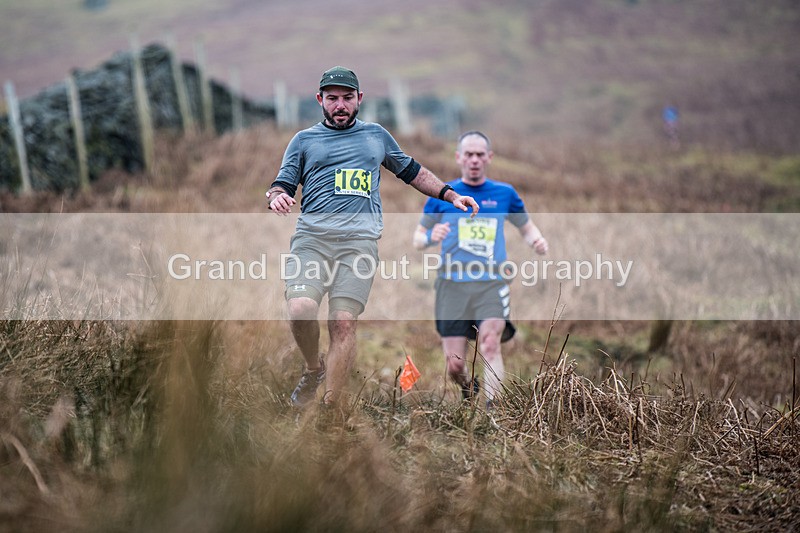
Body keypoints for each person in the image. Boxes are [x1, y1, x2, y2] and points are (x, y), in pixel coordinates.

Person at [266, 66, 479, 409]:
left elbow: (413, 171)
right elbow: (283, 182)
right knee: (301, 308)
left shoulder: (376, 136)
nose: (340, 106)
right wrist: (277, 196)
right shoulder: (304, 141)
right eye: (332, 99)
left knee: (343, 322)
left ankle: (330, 408)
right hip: (312, 241)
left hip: (358, 246)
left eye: (347, 98)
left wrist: (451, 195)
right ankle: (312, 368)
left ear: (359, 99)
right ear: (320, 100)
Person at [413, 131, 548, 408]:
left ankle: (494, 412)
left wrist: (535, 239)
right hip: (451, 286)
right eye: (469, 154)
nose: (474, 160)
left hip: (491, 284)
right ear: (459, 157)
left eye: (479, 154)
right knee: (454, 366)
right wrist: (430, 237)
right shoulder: (442, 193)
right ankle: (469, 387)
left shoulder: (504, 193)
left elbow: (526, 225)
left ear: (489, 158)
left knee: (489, 344)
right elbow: (417, 239)